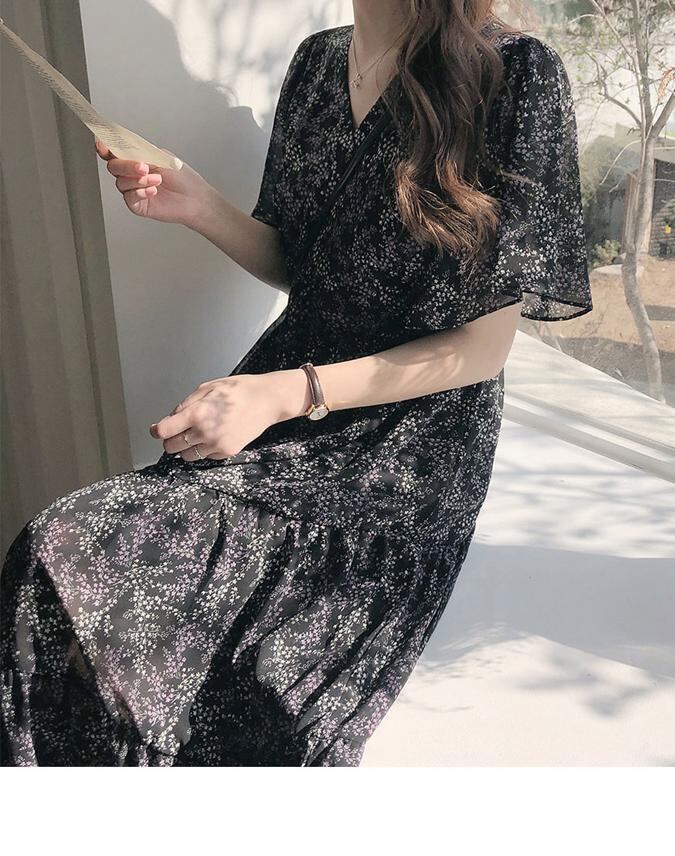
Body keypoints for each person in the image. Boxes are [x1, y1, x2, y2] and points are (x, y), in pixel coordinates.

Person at [0, 0, 592, 766]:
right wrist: (201, 206)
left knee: (173, 626)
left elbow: (482, 349)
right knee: (61, 559)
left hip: (412, 436)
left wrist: (279, 395)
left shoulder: (513, 73)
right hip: (293, 378)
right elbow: (301, 266)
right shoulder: (318, 63)